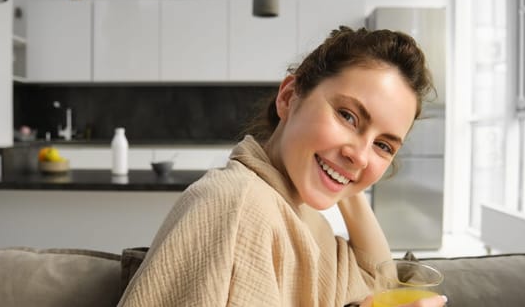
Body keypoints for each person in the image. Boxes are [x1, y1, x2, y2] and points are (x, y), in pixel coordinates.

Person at [118, 26, 447, 307]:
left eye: (383, 145)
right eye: (348, 116)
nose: (362, 155)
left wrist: (344, 176)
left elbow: (378, 278)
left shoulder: (295, 209)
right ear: (290, 96)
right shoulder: (240, 207)